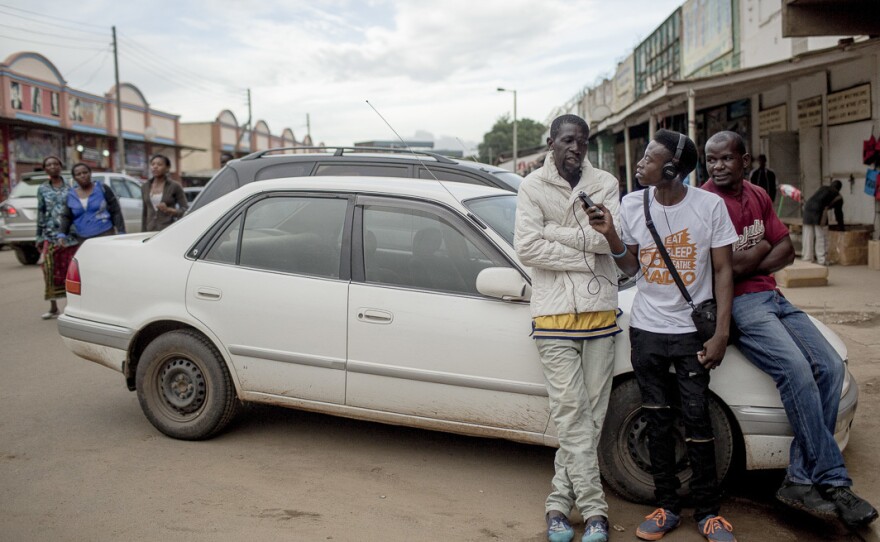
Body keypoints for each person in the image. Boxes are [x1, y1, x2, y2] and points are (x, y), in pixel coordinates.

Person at [702, 131, 877, 529]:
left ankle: (798, 478)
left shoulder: (759, 195)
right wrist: (761, 251)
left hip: (773, 297)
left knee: (830, 366)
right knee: (796, 371)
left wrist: (756, 256)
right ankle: (833, 480)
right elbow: (722, 271)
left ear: (745, 160)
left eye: (726, 159)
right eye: (711, 161)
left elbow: (787, 250)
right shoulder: (706, 203)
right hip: (742, 305)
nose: (717, 167)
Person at [588, 129, 738, 542]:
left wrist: (721, 333)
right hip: (647, 330)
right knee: (656, 418)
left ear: (671, 168)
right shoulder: (633, 204)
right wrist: (611, 235)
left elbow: (724, 270)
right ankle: (668, 507)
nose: (639, 163)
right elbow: (631, 269)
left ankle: (708, 512)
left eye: (649, 157)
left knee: (697, 418)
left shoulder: (709, 207)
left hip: (692, 332)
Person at [514, 114, 621, 542]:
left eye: (583, 142)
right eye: (568, 141)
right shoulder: (531, 187)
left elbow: (608, 240)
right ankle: (595, 511)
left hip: (599, 314)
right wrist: (583, 252)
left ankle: (558, 505)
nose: (576, 149)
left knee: (590, 418)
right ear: (552, 142)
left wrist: (556, 234)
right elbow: (526, 247)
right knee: (572, 414)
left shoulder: (606, 183)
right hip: (553, 317)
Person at [35, 156, 78, 320]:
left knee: (70, 271)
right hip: (50, 236)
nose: (52, 166)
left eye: (55, 164)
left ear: (61, 166)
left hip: (71, 236)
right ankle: (53, 307)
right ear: (45, 169)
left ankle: (72, 307)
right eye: (48, 165)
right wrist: (38, 236)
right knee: (49, 270)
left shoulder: (71, 186)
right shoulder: (42, 189)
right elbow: (41, 212)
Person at [58, 163, 126, 243]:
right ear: (74, 178)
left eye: (85, 172)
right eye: (78, 174)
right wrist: (61, 234)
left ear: (90, 173)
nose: (82, 175)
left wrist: (121, 231)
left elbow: (115, 211)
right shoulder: (70, 195)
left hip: (106, 234)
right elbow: (66, 217)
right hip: (83, 238)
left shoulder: (102, 188)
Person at [802, 180, 844, 266]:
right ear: (839, 188)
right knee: (821, 235)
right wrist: (841, 227)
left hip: (807, 208)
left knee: (807, 235)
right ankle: (821, 259)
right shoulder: (838, 196)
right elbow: (838, 213)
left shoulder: (823, 188)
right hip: (819, 211)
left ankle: (807, 257)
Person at [142, 153, 187, 231]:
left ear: (167, 168)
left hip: (168, 229)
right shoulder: (145, 186)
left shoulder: (175, 186)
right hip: (150, 229)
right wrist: (142, 231)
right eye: (153, 164)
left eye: (159, 164)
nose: (155, 167)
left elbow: (185, 210)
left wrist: (169, 210)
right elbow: (145, 212)